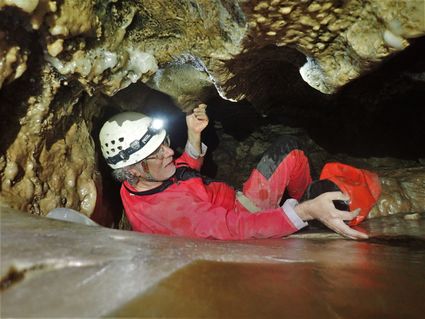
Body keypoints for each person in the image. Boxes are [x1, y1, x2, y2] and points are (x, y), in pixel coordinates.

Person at [99, 104, 369, 240]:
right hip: (246, 214)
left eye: (165, 143)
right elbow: (237, 228)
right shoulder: (174, 214)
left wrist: (194, 136)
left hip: (234, 200)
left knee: (288, 149)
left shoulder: (137, 183)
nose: (169, 152)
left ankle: (305, 205)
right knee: (310, 174)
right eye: (156, 153)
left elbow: (182, 174)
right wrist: (306, 211)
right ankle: (312, 216)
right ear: (132, 168)